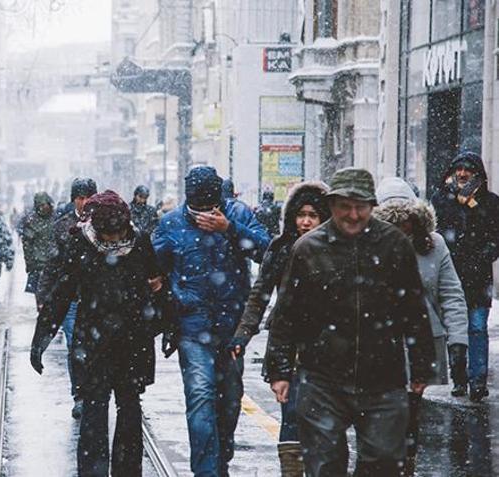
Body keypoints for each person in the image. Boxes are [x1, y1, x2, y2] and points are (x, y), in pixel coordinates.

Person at [265, 167, 436, 476]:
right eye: (346, 206)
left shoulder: (394, 245)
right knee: (325, 463)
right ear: (331, 206)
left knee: (383, 462)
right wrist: (279, 370)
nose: (354, 215)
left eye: (361, 207)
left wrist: (422, 365)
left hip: (382, 375)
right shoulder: (308, 249)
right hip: (322, 376)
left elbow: (414, 310)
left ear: (372, 206)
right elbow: (286, 316)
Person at [30, 190, 165, 477]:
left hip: (132, 340)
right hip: (94, 341)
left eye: (119, 234)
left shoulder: (139, 241)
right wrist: (43, 334)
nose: (115, 241)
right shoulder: (81, 242)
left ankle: (127, 472)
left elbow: (158, 284)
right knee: (94, 408)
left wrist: (169, 326)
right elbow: (63, 290)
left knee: (129, 408)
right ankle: (93, 472)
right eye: (109, 236)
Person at [152, 166, 270, 477]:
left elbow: (267, 251)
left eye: (211, 208)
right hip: (192, 327)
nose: (205, 214)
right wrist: (163, 296)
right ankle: (205, 471)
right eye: (198, 210)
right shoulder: (171, 224)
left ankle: (222, 458)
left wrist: (229, 228)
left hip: (232, 328)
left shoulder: (238, 214)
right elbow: (152, 266)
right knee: (201, 397)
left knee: (230, 401)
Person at [229, 181, 330, 476]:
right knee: (292, 416)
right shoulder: (282, 247)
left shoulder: (339, 250)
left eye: (313, 214)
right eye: (301, 214)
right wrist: (242, 335)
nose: (306, 221)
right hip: (292, 349)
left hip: (332, 349)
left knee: (328, 422)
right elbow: (260, 295)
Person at [374, 176, 469, 476]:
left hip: (422, 342)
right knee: (383, 413)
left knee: (410, 411)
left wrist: (458, 341)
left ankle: (405, 466)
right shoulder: (367, 246)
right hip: (379, 343)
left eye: (406, 221)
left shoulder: (435, 245)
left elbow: (451, 294)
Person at [431, 151, 499, 402]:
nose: (462, 174)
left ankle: (478, 380)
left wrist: (484, 254)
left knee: (478, 328)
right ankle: (459, 379)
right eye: (458, 169)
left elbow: (495, 238)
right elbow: (438, 232)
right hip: (451, 279)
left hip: (479, 280)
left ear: (477, 174)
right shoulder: (441, 199)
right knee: (455, 329)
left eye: (467, 169)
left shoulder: (490, 203)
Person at [38, 177, 97, 419]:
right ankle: (80, 394)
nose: (84, 203)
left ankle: (95, 390)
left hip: (97, 296)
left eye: (87, 197)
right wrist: (43, 296)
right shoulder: (62, 225)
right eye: (80, 198)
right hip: (71, 297)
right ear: (74, 199)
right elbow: (51, 264)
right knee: (76, 345)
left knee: (96, 346)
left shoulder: (105, 220)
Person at [18, 192, 56, 308]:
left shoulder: (56, 218)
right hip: (39, 264)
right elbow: (27, 246)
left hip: (54, 263)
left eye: (46, 204)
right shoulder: (31, 221)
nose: (44, 208)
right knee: (41, 297)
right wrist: (30, 264)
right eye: (41, 205)